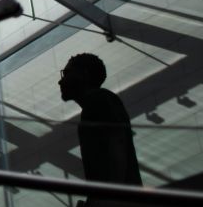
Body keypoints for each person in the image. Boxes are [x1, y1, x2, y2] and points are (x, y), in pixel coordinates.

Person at [58, 53, 141, 193]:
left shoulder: (99, 100)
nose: (60, 81)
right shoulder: (100, 102)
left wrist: (110, 198)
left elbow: (117, 146)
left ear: (84, 74)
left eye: (66, 73)